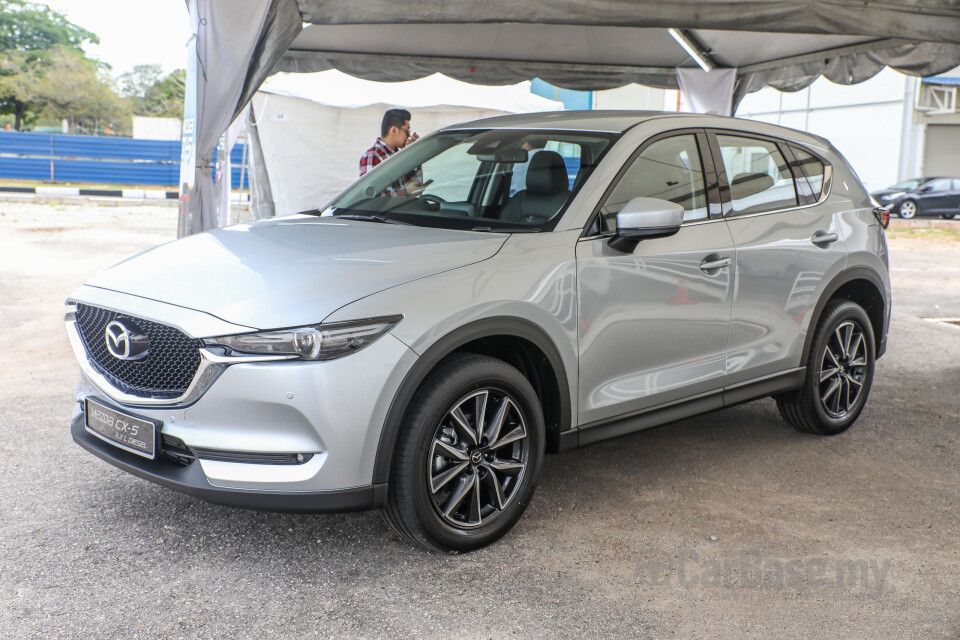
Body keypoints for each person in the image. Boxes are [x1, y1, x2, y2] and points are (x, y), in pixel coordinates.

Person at [359, 108, 423, 196]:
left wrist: (413, 153)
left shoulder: (400, 156)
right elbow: (370, 197)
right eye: (407, 131)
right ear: (393, 130)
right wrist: (406, 192)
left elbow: (417, 188)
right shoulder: (372, 156)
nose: (409, 136)